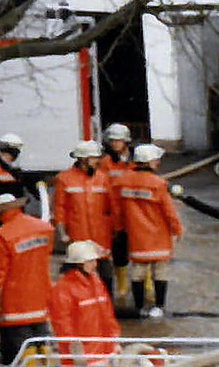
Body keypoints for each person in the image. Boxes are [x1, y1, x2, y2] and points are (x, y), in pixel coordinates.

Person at [116, 142, 183, 319]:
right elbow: (169, 211)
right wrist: (178, 230)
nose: (158, 163)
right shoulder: (158, 183)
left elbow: (117, 209)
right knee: (160, 272)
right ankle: (158, 307)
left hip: (137, 237)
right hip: (158, 237)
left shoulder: (123, 181)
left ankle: (139, 307)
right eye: (156, 160)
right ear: (149, 161)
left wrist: (119, 228)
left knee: (137, 272)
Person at [53, 138, 120, 295]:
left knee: (105, 272)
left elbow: (113, 207)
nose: (98, 161)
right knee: (79, 272)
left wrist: (117, 229)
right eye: (95, 158)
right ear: (83, 159)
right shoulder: (64, 178)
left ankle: (105, 303)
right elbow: (60, 208)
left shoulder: (103, 177)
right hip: (78, 235)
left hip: (101, 235)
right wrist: (62, 232)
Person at [0, 186, 56, 364]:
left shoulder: (3, 235)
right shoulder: (44, 228)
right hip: (41, 298)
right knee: (42, 342)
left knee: (19, 351)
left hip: (14, 305)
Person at [49, 240, 120, 361]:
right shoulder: (63, 288)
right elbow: (62, 323)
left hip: (105, 351)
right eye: (90, 261)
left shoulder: (96, 283)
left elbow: (108, 315)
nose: (95, 264)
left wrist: (115, 340)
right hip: (82, 356)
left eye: (95, 260)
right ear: (78, 264)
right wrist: (75, 350)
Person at [97, 124, 134, 275]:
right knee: (119, 247)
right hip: (115, 210)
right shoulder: (106, 162)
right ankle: (122, 282)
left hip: (133, 209)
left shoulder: (137, 159)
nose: (115, 144)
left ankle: (148, 281)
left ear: (126, 141)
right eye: (112, 141)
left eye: (118, 140)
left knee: (142, 246)